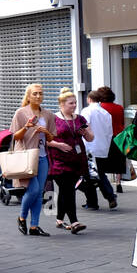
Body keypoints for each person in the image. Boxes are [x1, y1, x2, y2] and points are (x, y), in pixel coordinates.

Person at [9, 83, 56, 237]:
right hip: (27, 156)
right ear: (28, 96)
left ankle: (34, 226)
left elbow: (51, 137)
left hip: (42, 157)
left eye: (40, 93)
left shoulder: (48, 114)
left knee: (39, 192)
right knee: (33, 189)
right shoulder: (21, 113)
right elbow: (15, 136)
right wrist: (27, 127)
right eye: (35, 94)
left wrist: (46, 132)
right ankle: (22, 217)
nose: (38, 96)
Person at [48, 88, 93, 233]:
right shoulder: (53, 119)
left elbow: (91, 138)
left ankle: (60, 218)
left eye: (75, 103)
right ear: (61, 104)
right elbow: (44, 140)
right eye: (70, 103)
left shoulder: (80, 119)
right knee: (68, 190)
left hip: (77, 159)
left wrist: (85, 132)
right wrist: (58, 145)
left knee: (65, 190)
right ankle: (74, 222)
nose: (74, 106)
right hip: (58, 160)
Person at [80, 89, 117, 210]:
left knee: (89, 174)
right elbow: (109, 132)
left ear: (89, 99)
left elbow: (84, 128)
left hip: (90, 147)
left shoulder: (87, 111)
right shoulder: (106, 113)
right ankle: (109, 196)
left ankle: (93, 201)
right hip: (102, 147)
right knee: (99, 173)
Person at [97, 86, 128, 190]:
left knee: (103, 162)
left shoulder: (100, 107)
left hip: (105, 137)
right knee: (118, 160)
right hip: (119, 136)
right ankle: (118, 182)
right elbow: (122, 122)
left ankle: (104, 183)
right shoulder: (119, 107)